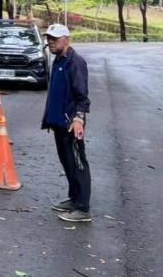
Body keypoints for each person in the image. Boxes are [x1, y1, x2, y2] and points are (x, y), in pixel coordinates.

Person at [41, 23, 92, 223]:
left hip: (72, 124)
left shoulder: (75, 62)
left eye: (54, 39)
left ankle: (83, 207)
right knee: (68, 163)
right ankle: (73, 198)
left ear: (66, 39)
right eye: (49, 39)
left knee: (78, 164)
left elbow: (82, 97)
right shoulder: (58, 60)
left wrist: (79, 118)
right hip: (58, 124)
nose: (50, 42)